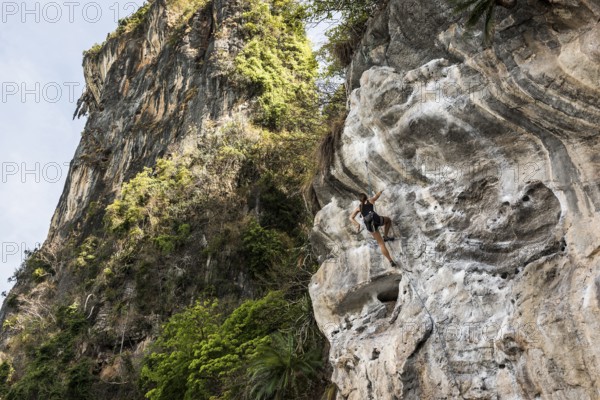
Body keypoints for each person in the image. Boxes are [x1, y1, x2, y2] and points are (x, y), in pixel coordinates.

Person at [350, 190, 398, 267]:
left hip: (369, 225)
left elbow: (351, 217)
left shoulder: (359, 207)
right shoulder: (371, 200)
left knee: (381, 244)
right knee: (388, 220)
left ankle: (390, 261)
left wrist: (357, 224)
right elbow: (377, 195)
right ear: (366, 197)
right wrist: (381, 191)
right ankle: (385, 236)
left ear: (360, 200)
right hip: (377, 220)